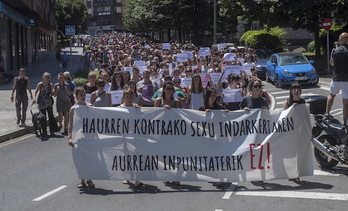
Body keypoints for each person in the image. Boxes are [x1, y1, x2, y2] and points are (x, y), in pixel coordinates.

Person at [68, 87, 95, 188]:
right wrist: (69, 138)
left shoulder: (90, 107)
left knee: (89, 159)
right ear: (76, 96)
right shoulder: (73, 109)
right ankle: (82, 180)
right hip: (78, 138)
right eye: (81, 95)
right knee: (80, 159)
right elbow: (70, 124)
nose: (83, 97)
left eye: (84, 95)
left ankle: (89, 179)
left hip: (88, 138)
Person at [154, 81, 180, 185]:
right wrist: (162, 110)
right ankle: (165, 175)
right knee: (164, 154)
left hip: (174, 130)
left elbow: (179, 115)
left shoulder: (176, 102)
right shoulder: (158, 101)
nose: (169, 91)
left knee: (174, 153)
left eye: (171, 89)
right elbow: (153, 114)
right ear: (163, 89)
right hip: (162, 130)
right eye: (167, 89)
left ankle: (175, 176)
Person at [119, 87, 143, 188]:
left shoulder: (136, 108)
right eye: (127, 97)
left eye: (130, 96)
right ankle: (126, 176)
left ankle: (137, 179)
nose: (129, 99)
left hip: (134, 136)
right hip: (124, 136)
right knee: (126, 156)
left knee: (136, 156)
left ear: (133, 97)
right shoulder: (120, 108)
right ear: (124, 97)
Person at [282, 82, 306, 184]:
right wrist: (292, 108)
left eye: (298, 89)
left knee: (298, 155)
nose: (296, 91)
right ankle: (292, 174)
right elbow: (283, 116)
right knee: (291, 154)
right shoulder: (287, 102)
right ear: (291, 91)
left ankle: (296, 175)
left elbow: (305, 118)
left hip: (299, 131)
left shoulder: (303, 102)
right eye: (294, 89)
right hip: (290, 132)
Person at [325, 32, 348, 129]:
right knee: (346, 101)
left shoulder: (335, 51)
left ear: (340, 40)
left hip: (336, 78)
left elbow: (332, 63)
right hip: (347, 80)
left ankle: (327, 113)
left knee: (331, 95)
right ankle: (344, 122)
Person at [33, 72, 59, 137]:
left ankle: (52, 131)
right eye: (46, 77)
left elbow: (54, 94)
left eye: (48, 77)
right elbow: (35, 91)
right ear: (43, 77)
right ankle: (44, 131)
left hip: (49, 102)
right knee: (43, 117)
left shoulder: (50, 85)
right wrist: (34, 98)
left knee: (51, 116)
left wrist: (56, 91)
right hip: (42, 103)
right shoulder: (40, 84)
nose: (47, 78)